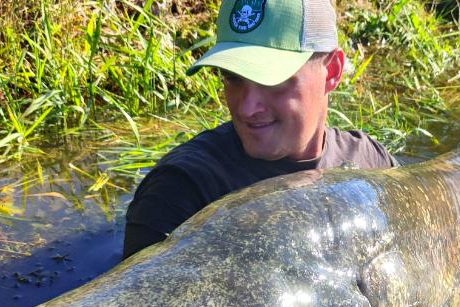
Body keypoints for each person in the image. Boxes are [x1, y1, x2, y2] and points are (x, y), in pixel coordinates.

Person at [122, 0, 398, 259]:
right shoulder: (181, 190)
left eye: (272, 80)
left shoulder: (372, 163)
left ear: (332, 71)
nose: (246, 108)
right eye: (233, 78)